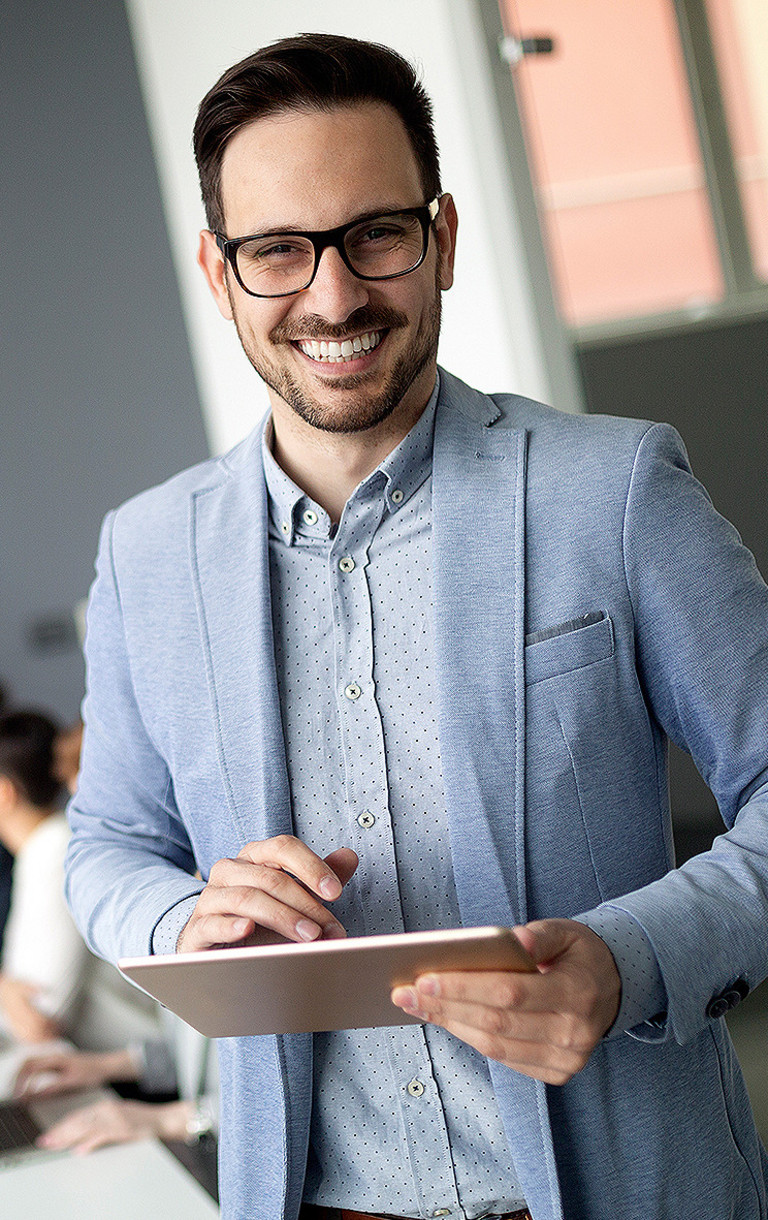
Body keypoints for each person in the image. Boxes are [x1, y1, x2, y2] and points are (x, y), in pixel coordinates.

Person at [64, 32, 768, 1220]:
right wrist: (187, 918)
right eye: (279, 251)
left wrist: (626, 957)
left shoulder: (620, 490)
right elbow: (105, 843)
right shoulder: (144, 554)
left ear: (441, 237)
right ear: (217, 268)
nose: (334, 296)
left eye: (375, 235)